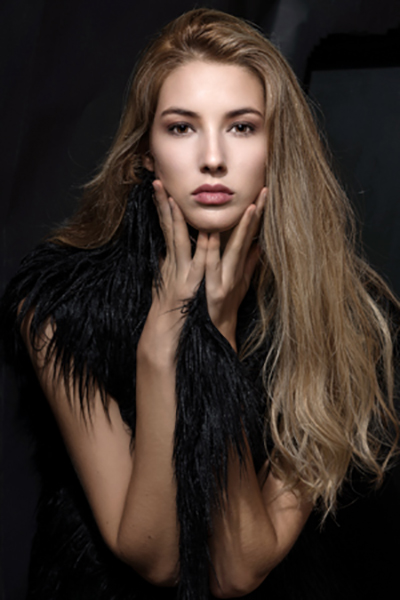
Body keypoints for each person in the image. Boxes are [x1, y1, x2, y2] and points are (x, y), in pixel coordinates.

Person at [1, 7, 399, 600]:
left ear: (277, 148)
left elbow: (236, 570)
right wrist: (159, 349)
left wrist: (218, 333)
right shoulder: (59, 308)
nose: (213, 157)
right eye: (182, 127)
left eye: (242, 127)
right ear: (145, 152)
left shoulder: (344, 320)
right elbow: (154, 557)